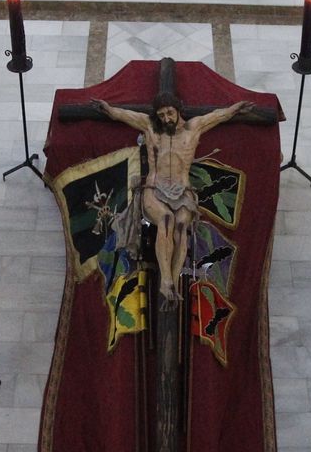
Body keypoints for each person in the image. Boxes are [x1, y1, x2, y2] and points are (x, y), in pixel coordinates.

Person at [92, 95, 252, 300]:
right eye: (161, 115)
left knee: (180, 228)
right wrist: (109, 109)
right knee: (166, 220)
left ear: (178, 111)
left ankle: (173, 284)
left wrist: (235, 109)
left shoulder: (193, 127)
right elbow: (124, 115)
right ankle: (166, 282)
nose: (166, 118)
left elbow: (217, 116)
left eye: (169, 113)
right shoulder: (149, 126)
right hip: (154, 188)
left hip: (183, 191)